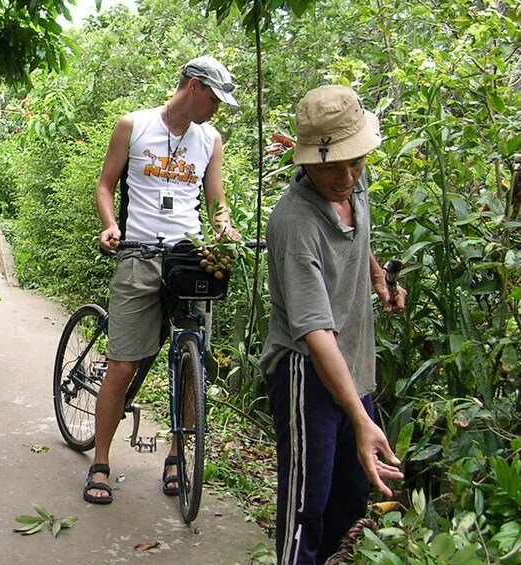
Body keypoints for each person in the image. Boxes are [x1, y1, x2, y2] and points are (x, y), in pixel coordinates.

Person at [260, 85, 406, 564]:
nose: (345, 177)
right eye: (331, 167)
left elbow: (356, 236)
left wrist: (379, 277)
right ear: (307, 163)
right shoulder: (293, 222)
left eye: (354, 162)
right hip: (308, 373)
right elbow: (315, 333)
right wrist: (362, 420)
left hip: (353, 367)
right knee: (307, 508)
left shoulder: (352, 182)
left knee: (349, 500)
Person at [87, 56, 242, 504]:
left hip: (188, 258)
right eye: (214, 98)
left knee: (191, 360)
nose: (216, 109)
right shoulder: (132, 126)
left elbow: (217, 203)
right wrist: (110, 224)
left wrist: (224, 230)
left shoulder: (211, 139)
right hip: (138, 254)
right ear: (193, 87)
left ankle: (176, 455)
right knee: (122, 365)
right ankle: (100, 461)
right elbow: (105, 184)